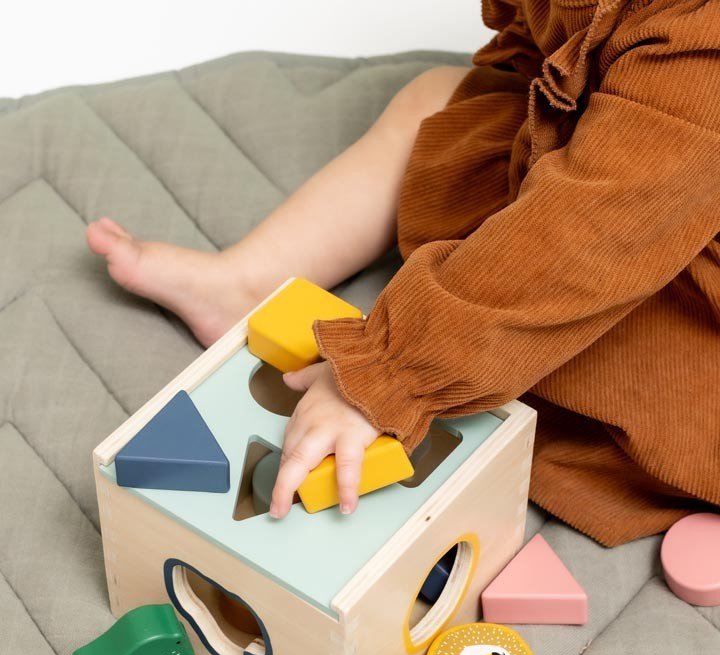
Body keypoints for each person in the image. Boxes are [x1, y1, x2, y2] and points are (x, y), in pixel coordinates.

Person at [87, 0, 720, 546]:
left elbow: (590, 236)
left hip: (672, 281)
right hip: (609, 175)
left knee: (592, 315)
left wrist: (391, 373)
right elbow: (550, 50)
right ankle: (246, 281)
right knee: (438, 97)